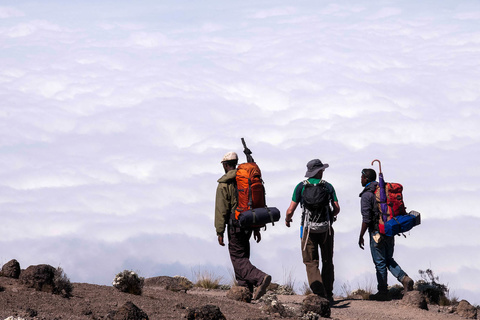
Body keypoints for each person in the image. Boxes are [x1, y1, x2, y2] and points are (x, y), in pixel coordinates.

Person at [215, 151, 271, 300]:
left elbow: (221, 209)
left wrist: (219, 231)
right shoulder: (247, 179)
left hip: (235, 224)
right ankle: (244, 291)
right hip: (249, 222)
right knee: (243, 256)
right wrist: (257, 228)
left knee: (238, 258)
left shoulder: (224, 184)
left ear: (226, 165)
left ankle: (260, 278)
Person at [285, 159, 340, 303]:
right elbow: (337, 208)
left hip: (308, 230)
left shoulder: (301, 187)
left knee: (311, 262)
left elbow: (290, 210)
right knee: (327, 261)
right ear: (319, 171)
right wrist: (331, 216)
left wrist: (287, 219)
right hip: (326, 230)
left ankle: (319, 294)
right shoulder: (328, 187)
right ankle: (328, 293)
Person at [358, 168, 414, 300]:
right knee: (388, 259)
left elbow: (366, 219)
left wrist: (361, 235)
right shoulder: (382, 190)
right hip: (389, 230)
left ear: (366, 178)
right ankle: (405, 279)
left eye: (362, 177)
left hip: (376, 232)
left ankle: (383, 292)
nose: (360, 179)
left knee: (380, 262)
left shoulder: (367, 195)